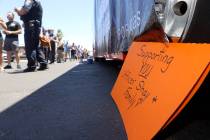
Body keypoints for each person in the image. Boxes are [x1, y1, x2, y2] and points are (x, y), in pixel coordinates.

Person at [14, 0, 48, 72]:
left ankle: (32, 65)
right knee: (35, 45)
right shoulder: (36, 2)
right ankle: (43, 63)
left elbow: (23, 11)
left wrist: (17, 10)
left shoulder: (29, 0)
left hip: (31, 25)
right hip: (35, 25)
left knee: (30, 45)